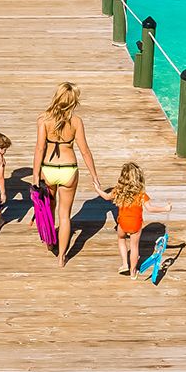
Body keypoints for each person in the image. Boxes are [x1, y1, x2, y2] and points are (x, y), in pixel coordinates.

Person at [33, 81, 103, 267]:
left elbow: (40, 149)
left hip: (48, 168)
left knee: (49, 207)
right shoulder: (76, 122)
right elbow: (85, 150)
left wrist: (34, 177)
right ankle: (62, 256)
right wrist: (94, 176)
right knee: (65, 216)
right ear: (73, 101)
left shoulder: (44, 120)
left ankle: (50, 241)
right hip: (69, 168)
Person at [108, 162, 147, 277]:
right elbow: (151, 208)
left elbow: (106, 197)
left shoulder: (118, 191)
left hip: (122, 224)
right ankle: (133, 272)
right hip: (135, 225)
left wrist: (98, 189)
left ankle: (125, 264)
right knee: (134, 247)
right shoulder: (141, 194)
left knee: (121, 239)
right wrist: (165, 208)